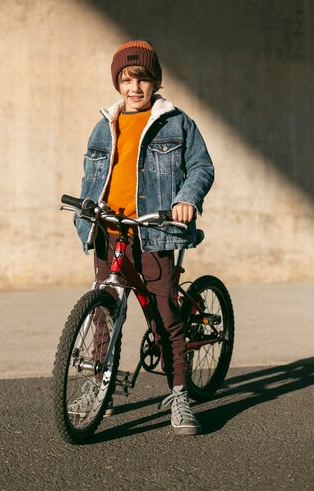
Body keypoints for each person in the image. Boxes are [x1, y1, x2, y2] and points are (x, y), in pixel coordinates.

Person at [73, 39, 214, 435]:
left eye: (143, 79)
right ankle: (101, 389)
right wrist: (86, 210)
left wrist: (187, 198)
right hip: (109, 231)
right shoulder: (104, 124)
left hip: (153, 231)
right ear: (117, 82)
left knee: (165, 317)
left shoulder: (177, 122)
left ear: (155, 82)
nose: (135, 87)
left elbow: (201, 168)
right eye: (126, 78)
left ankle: (180, 394)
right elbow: (93, 176)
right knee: (105, 314)